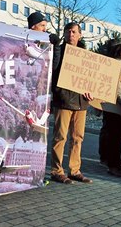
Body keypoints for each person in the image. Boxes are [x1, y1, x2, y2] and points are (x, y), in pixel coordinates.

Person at [50, 22, 94, 184]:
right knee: (60, 136)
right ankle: (56, 170)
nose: (71, 34)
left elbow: (92, 77)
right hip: (63, 100)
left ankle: (75, 170)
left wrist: (92, 91)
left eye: (74, 32)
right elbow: (53, 73)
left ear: (80, 35)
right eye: (68, 31)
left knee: (78, 137)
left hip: (81, 101)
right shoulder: (59, 51)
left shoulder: (86, 55)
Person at [99, 43, 121, 177]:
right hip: (115, 105)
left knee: (115, 135)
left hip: (119, 106)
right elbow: (118, 86)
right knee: (115, 135)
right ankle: (113, 165)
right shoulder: (117, 65)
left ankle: (113, 160)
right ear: (119, 52)